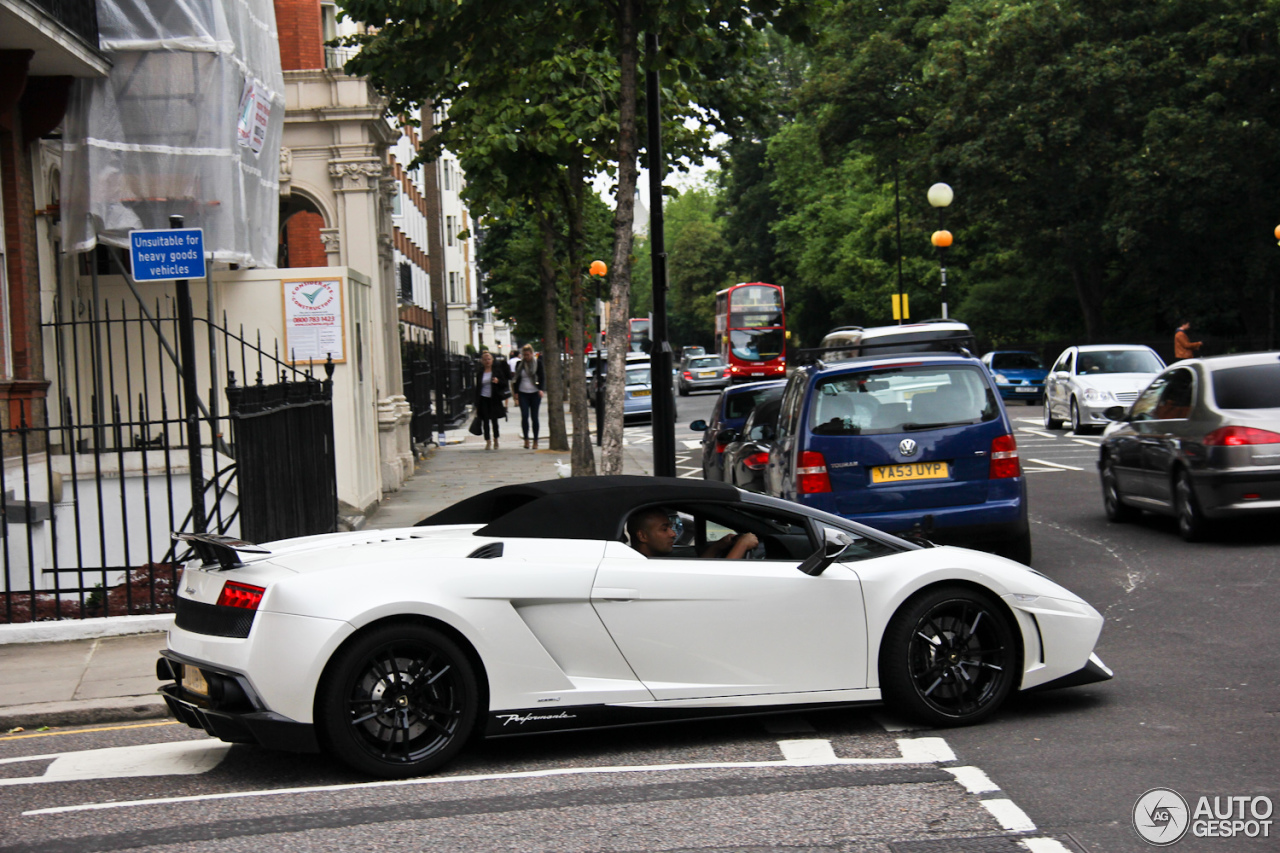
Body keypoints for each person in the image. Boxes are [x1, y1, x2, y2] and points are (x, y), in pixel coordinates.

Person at [627, 507, 759, 559]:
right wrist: (741, 545)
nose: (673, 534)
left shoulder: (654, 560)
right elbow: (714, 583)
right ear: (642, 536)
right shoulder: (645, 566)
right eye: (664, 529)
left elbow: (699, 572)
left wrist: (717, 546)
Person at [511, 344, 546, 449]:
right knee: (525, 416)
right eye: (524, 355)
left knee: (534, 417)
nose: (526, 357)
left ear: (532, 354)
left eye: (527, 355)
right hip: (523, 393)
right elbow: (516, 379)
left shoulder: (537, 363)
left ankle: (535, 440)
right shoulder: (519, 364)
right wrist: (516, 392)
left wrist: (541, 389)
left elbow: (542, 376)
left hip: (535, 393)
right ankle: (526, 439)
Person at [474, 350, 511, 449]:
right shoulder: (480, 373)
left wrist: (498, 381)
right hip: (483, 398)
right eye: (485, 359)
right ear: (482, 361)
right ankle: (488, 441)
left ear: (492, 360)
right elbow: (477, 387)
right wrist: (476, 403)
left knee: (494, 420)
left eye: (489, 359)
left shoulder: (497, 371)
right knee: (485, 420)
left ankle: (496, 439)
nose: (487, 361)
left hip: (494, 398)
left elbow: (504, 383)